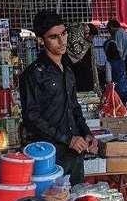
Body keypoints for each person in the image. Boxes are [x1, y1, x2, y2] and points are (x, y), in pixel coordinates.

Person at [20, 10, 98, 186]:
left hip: (75, 153)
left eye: (64, 33)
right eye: (54, 37)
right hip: (49, 157)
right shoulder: (33, 74)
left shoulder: (68, 70)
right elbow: (31, 117)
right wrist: (67, 139)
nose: (62, 41)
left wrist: (87, 133)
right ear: (41, 40)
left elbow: (74, 107)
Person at [72, 23, 99, 93]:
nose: (91, 39)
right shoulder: (69, 49)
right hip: (78, 82)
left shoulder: (88, 47)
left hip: (86, 82)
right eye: (86, 34)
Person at [104, 40, 127, 104]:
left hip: (118, 90)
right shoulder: (122, 61)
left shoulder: (109, 62)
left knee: (119, 111)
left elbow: (108, 79)